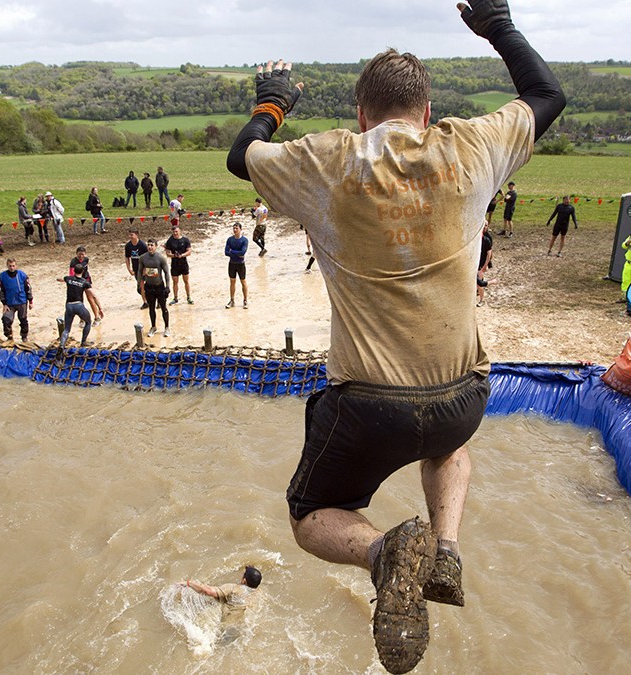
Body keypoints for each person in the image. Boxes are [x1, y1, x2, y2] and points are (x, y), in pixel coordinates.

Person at [224, 0, 565, 669]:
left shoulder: (328, 161)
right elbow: (547, 95)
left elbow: (242, 157)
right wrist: (497, 24)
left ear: (361, 114)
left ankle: (386, 555)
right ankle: (447, 549)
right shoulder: (472, 147)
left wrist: (272, 104)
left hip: (368, 406)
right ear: (427, 112)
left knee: (310, 515)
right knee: (449, 447)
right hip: (463, 395)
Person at [182, 566, 262, 642]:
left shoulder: (233, 588)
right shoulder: (258, 593)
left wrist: (189, 583)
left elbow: (208, 591)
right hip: (242, 629)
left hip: (226, 629)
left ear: (244, 580)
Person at [137, 238, 172, 337]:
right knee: (151, 308)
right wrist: (139, 284)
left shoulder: (160, 258)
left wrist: (167, 287)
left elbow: (166, 273)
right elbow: (139, 271)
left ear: (156, 246)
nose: (150, 247)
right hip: (149, 287)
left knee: (164, 308)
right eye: (148, 245)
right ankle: (153, 327)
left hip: (159, 286)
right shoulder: (143, 258)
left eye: (152, 245)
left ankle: (167, 327)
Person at [0, 258, 32, 342]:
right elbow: (0, 290)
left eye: (13, 266)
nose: (12, 268)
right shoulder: (2, 276)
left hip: (21, 301)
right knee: (6, 319)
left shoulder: (22, 275)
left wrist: (30, 301)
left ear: (16, 266)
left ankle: (24, 336)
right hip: (9, 303)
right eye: (10, 266)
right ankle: (9, 337)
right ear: (7, 266)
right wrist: (4, 303)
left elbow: (28, 288)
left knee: (23, 320)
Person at [58, 268, 94, 347]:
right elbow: (93, 295)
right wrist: (100, 308)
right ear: (82, 271)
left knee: (66, 329)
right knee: (88, 322)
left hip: (69, 306)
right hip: (79, 305)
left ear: (74, 271)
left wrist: (59, 279)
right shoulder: (85, 282)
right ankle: (83, 342)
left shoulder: (68, 279)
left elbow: (62, 279)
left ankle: (61, 345)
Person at [69, 246, 104, 325]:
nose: (81, 256)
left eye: (83, 254)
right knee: (79, 301)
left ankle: (97, 317)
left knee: (90, 298)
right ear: (76, 254)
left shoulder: (86, 259)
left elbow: (86, 269)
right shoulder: (73, 262)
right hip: (78, 282)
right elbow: (71, 274)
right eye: (79, 254)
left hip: (86, 280)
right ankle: (82, 319)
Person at [164, 223, 193, 304]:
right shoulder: (170, 241)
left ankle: (188, 297)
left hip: (184, 263)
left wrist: (182, 255)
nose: (175, 233)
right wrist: (174, 255)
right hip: (174, 264)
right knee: (175, 282)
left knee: (186, 281)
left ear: (180, 231)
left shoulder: (185, 240)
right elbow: (167, 253)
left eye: (176, 231)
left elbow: (189, 252)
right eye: (174, 232)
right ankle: (175, 298)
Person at [224, 222, 248, 309]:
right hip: (232, 264)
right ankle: (232, 300)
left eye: (236, 228)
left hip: (241, 264)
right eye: (234, 228)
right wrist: (237, 254)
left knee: (243, 282)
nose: (235, 230)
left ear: (240, 229)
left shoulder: (244, 240)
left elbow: (243, 252)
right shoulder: (230, 239)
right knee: (232, 282)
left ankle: (245, 300)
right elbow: (226, 252)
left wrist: (232, 251)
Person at [124, 229, 148, 309]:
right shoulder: (128, 246)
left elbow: (148, 257)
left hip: (145, 268)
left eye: (132, 235)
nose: (130, 236)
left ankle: (156, 300)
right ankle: (145, 302)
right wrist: (129, 269)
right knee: (140, 287)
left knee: (150, 285)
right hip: (136, 269)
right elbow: (127, 258)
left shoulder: (143, 245)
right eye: (129, 235)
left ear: (137, 235)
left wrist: (145, 268)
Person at [477, 222, 493, 307]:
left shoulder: (487, 239)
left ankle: (481, 300)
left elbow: (489, 254)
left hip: (481, 264)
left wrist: (485, 265)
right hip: (476, 264)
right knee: (478, 282)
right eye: (483, 225)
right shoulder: (475, 239)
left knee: (480, 283)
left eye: (486, 225)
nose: (484, 227)